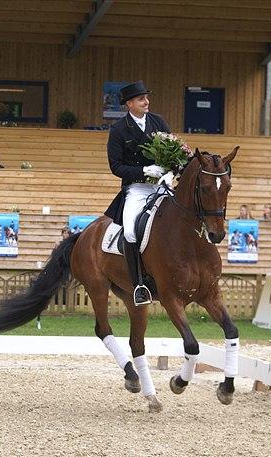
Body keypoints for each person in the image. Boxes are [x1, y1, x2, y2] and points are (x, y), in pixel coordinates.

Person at [105, 81, 172, 306]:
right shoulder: (118, 130)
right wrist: (144, 171)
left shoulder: (158, 122)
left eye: (146, 98)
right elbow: (116, 167)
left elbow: (172, 152)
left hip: (162, 184)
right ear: (129, 103)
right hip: (136, 188)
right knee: (132, 232)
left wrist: (169, 171)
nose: (147, 102)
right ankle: (139, 285)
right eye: (142, 99)